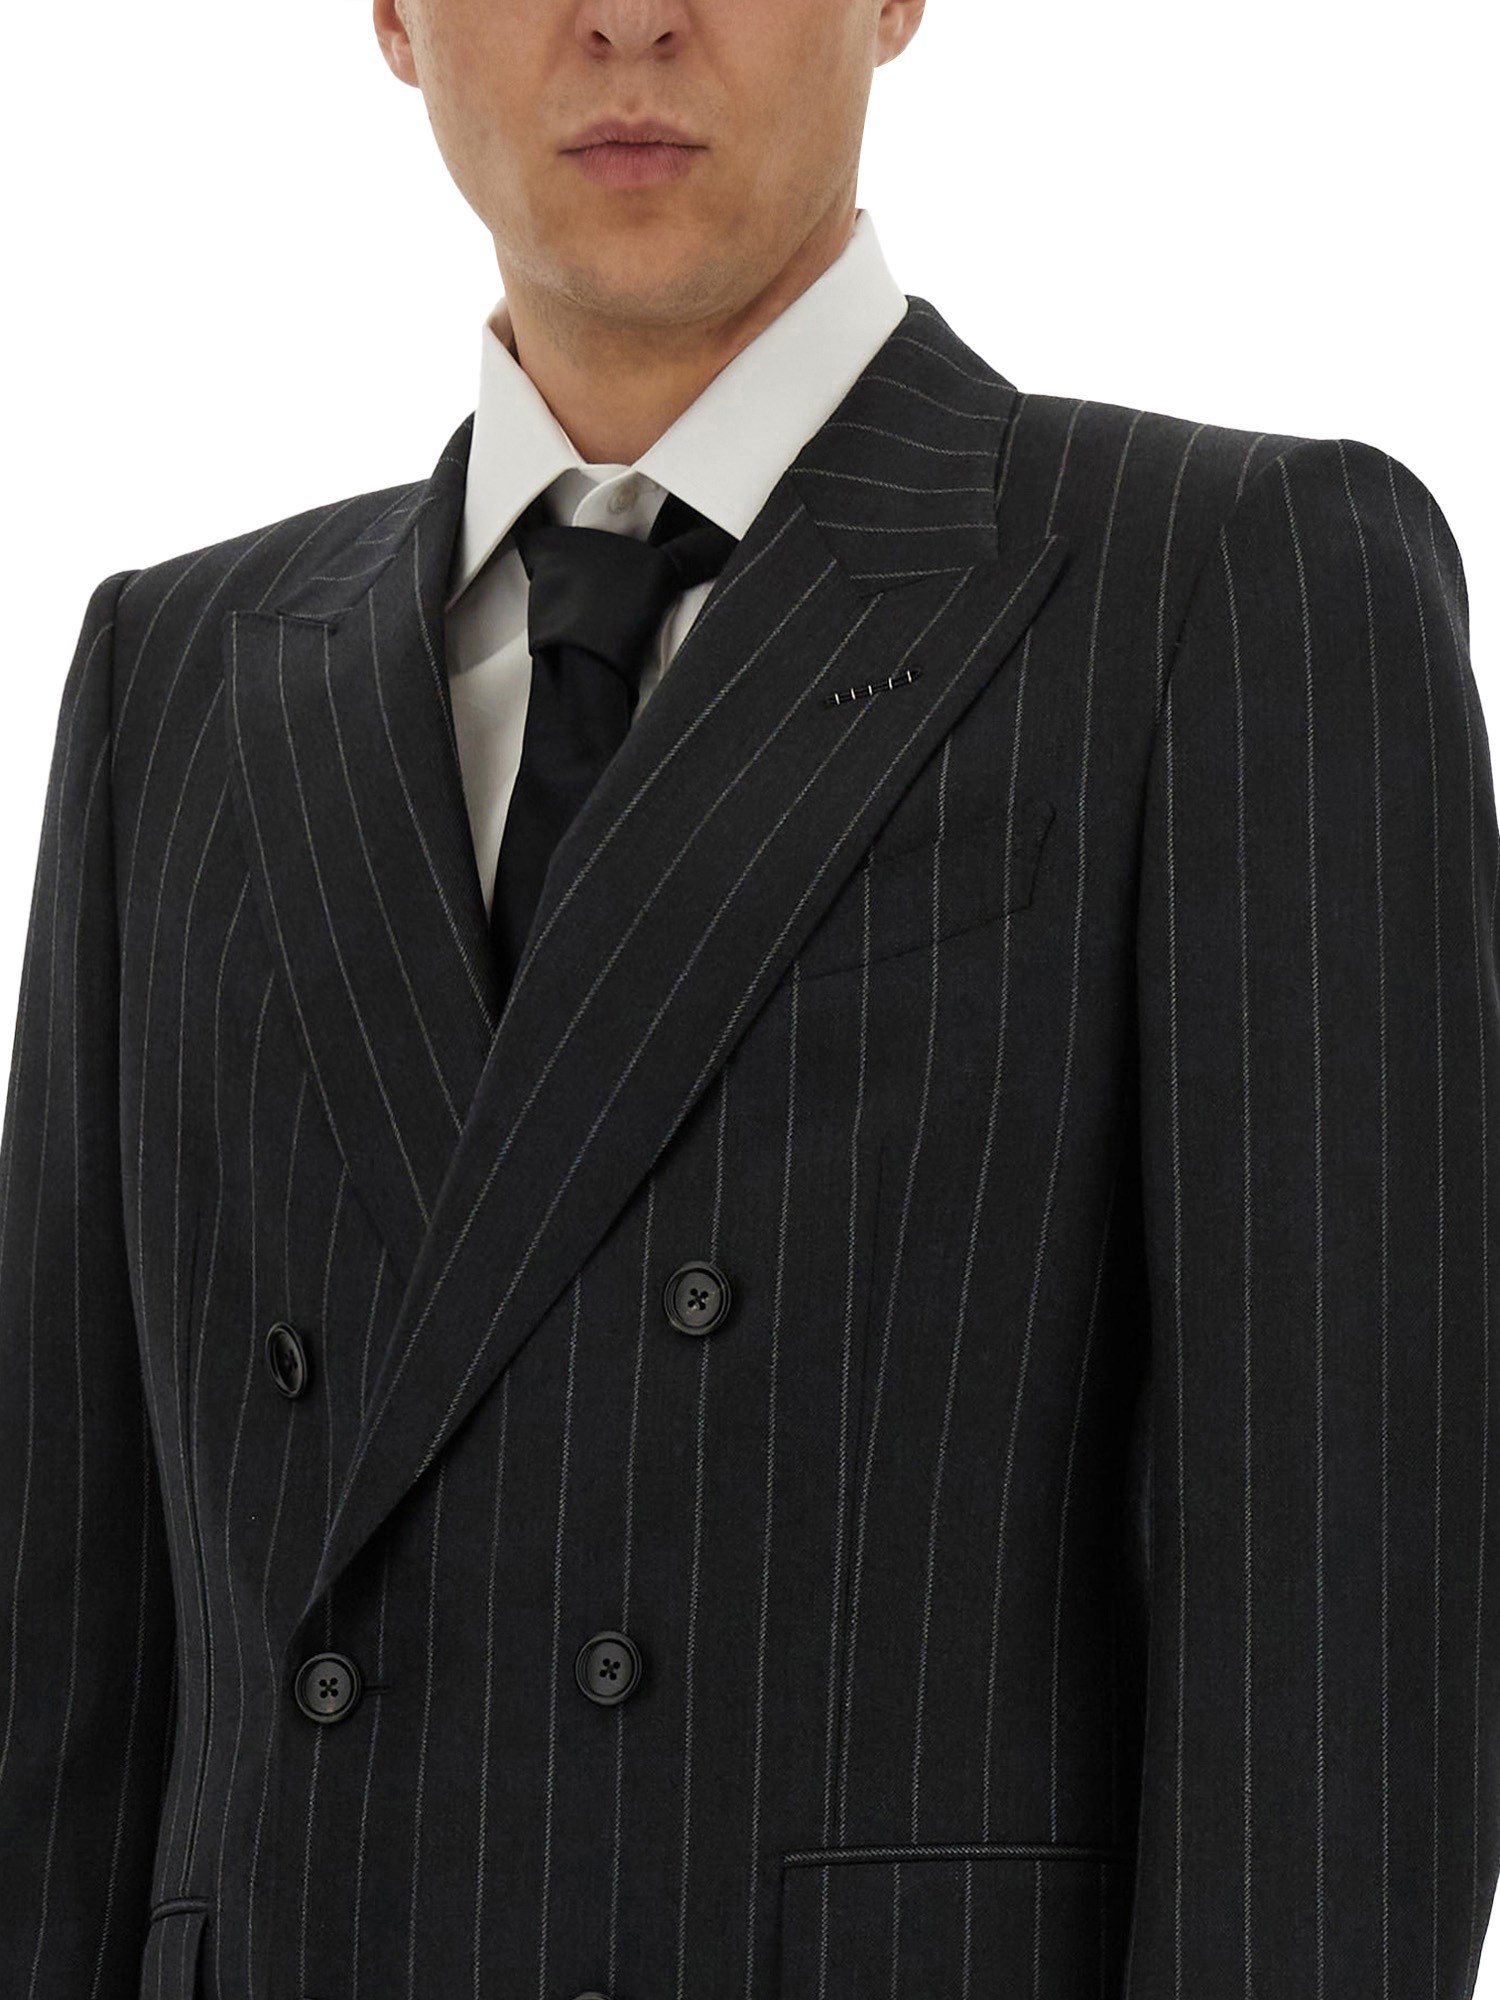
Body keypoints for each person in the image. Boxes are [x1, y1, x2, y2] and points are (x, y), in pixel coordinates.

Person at [2, 0, 1496, 1994]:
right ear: (391, 17)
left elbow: (1341, 1674)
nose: (630, 18)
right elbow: (63, 1674)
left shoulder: (1222, 584)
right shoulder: (179, 674)